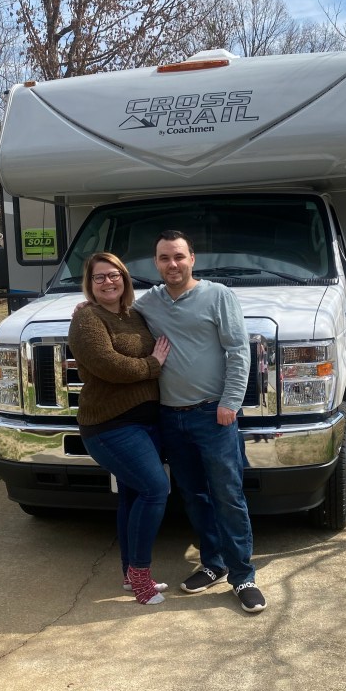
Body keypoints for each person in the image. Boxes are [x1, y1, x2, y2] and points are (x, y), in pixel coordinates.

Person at [134, 230, 267, 614]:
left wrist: (230, 402)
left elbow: (238, 351)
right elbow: (115, 310)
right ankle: (214, 563)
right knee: (194, 496)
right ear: (156, 263)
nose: (172, 264)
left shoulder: (218, 295)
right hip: (170, 417)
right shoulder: (149, 303)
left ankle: (243, 576)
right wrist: (87, 307)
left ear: (192, 258)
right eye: (164, 258)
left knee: (228, 495)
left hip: (213, 414)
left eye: (178, 256)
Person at [67, 252, 171, 605]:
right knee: (155, 489)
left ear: (125, 279)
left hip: (146, 423)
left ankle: (130, 572)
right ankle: (141, 577)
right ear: (89, 284)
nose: (108, 282)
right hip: (110, 426)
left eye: (114, 275)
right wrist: (153, 364)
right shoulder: (87, 319)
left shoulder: (134, 314)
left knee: (132, 495)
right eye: (99, 277)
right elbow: (108, 365)